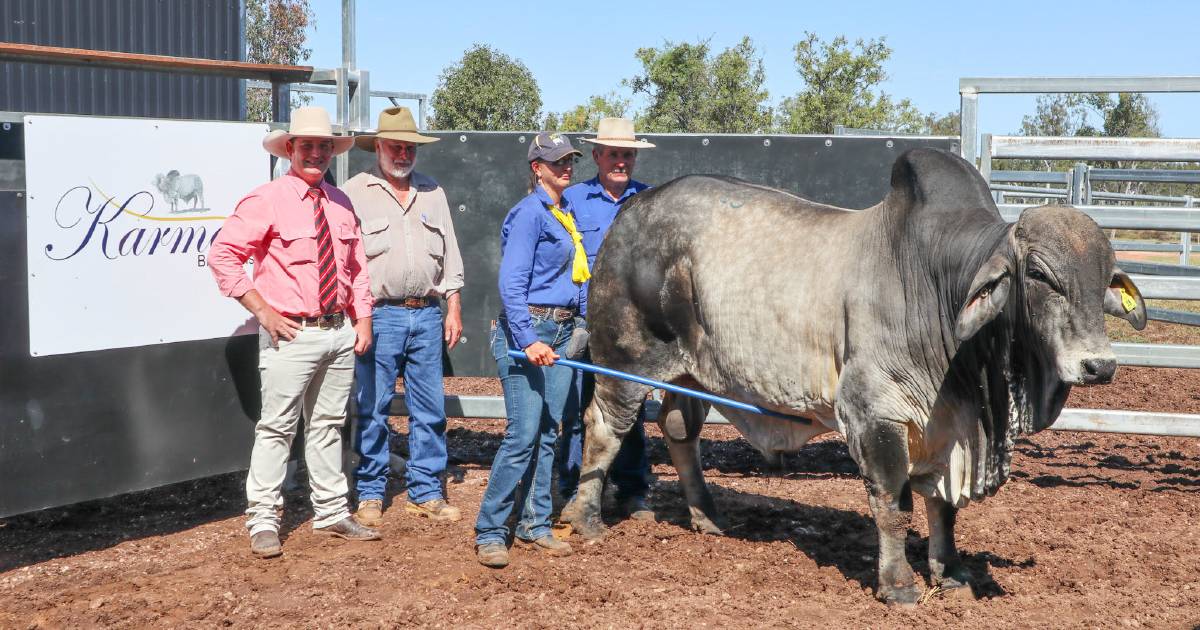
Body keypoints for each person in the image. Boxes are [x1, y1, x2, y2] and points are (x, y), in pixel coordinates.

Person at [209, 106, 380, 558]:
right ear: (290, 149)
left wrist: (362, 319)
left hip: (338, 330)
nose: (317, 153)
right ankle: (263, 519)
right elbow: (223, 256)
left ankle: (330, 512)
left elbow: (357, 268)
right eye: (308, 145)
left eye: (324, 146)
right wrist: (263, 312)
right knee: (277, 428)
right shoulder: (266, 199)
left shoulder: (341, 202)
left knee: (327, 425)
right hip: (292, 333)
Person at [342, 107, 465, 526]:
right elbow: (344, 262)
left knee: (429, 408)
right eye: (395, 146)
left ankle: (426, 491)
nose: (402, 153)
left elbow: (450, 255)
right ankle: (371, 492)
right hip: (378, 314)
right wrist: (358, 316)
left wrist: (453, 305)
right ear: (377, 147)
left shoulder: (433, 192)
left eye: (409, 147)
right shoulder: (354, 192)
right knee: (372, 406)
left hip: (427, 314)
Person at [474, 132, 587, 568]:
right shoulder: (529, 215)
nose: (566, 167)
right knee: (521, 434)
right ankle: (490, 530)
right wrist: (528, 339)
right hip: (529, 334)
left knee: (547, 431)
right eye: (556, 162)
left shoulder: (564, 211)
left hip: (560, 331)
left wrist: (579, 321)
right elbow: (511, 284)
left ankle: (535, 522)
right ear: (536, 168)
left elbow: (575, 275)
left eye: (570, 160)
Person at [558, 117, 656, 520]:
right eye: (613, 154)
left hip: (632, 329)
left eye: (627, 154)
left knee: (626, 409)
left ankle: (633, 490)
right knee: (575, 405)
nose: (621, 161)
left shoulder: (650, 201)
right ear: (597, 156)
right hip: (582, 321)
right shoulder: (573, 200)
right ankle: (572, 488)